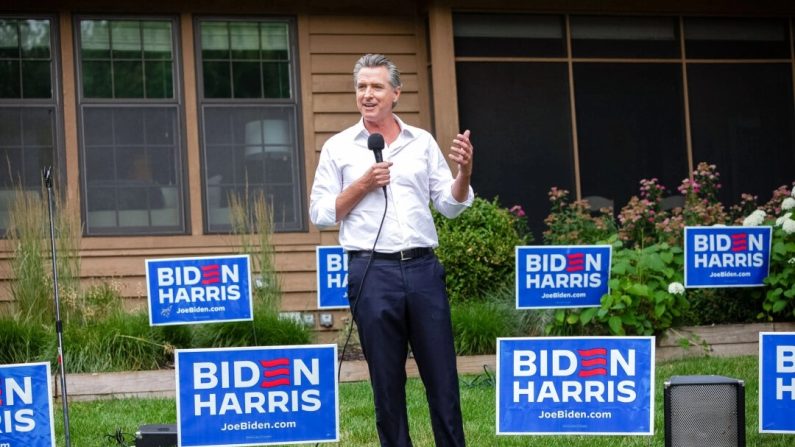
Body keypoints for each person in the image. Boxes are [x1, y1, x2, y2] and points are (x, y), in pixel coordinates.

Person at [309, 53, 474, 446]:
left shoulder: (423, 142)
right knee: (386, 383)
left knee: (443, 381)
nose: (367, 94)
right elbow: (320, 213)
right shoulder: (338, 148)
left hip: (422, 270)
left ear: (395, 93)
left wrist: (465, 172)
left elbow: (449, 206)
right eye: (361, 87)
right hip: (372, 273)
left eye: (376, 86)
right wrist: (362, 185)